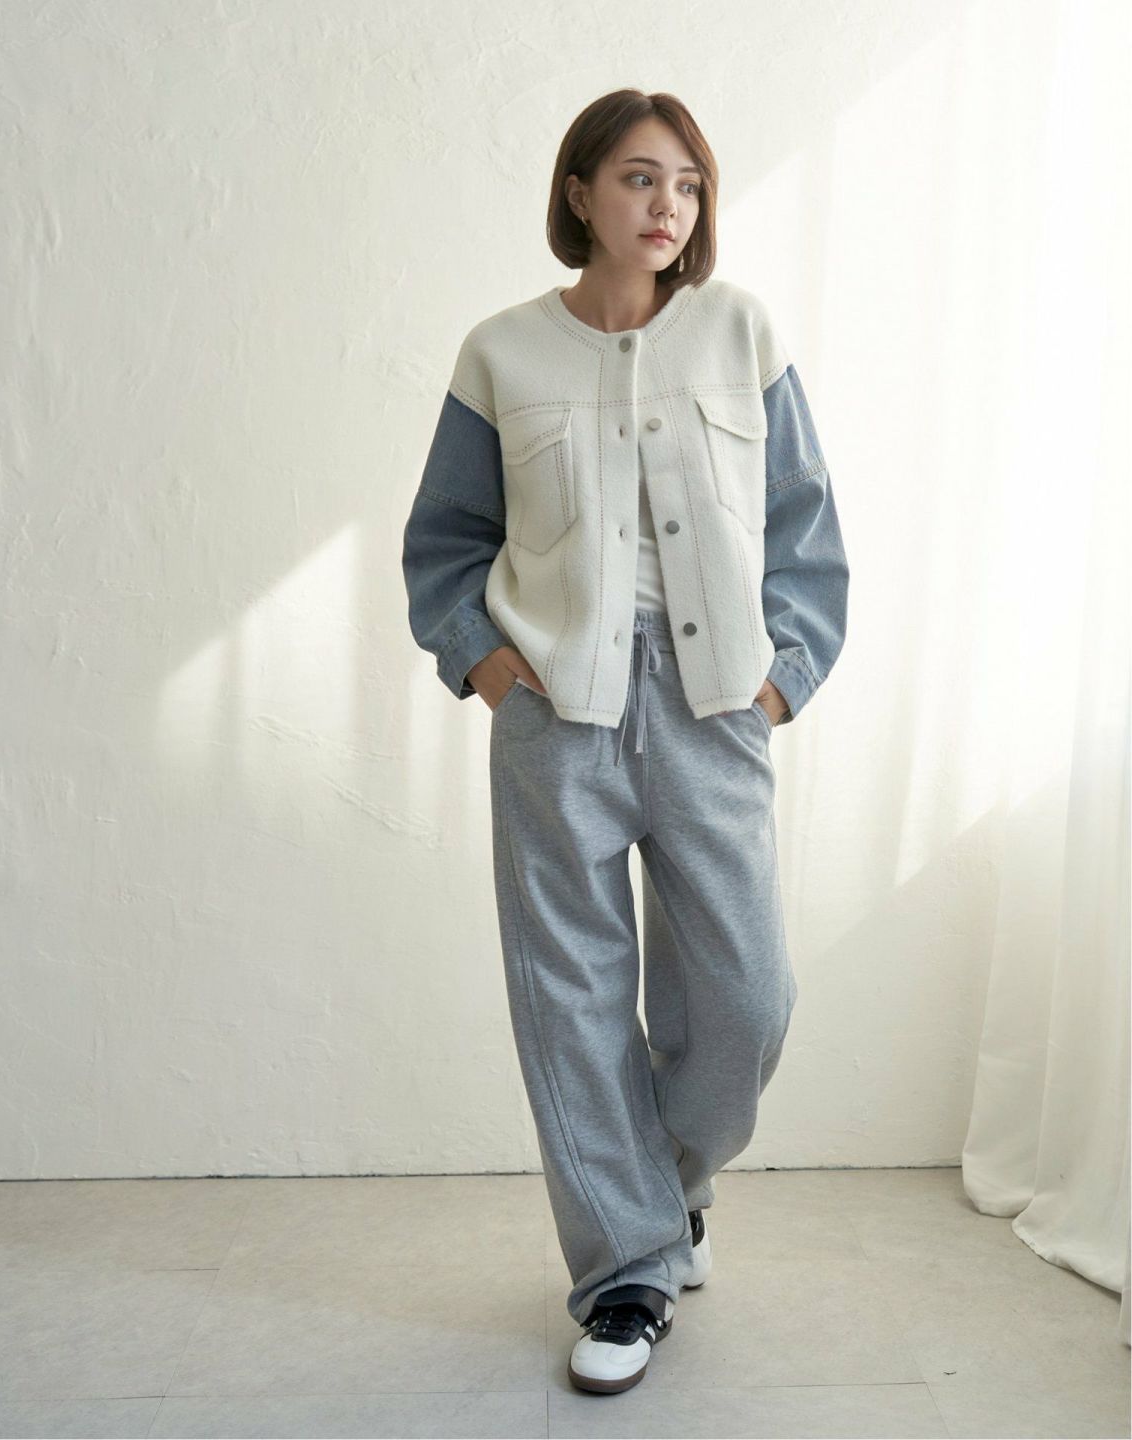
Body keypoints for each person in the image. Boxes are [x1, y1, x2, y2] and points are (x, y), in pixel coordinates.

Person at [401, 88, 849, 1394]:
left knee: (748, 998)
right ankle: (627, 1276)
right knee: (572, 998)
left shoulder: (741, 332)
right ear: (582, 193)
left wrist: (781, 682)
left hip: (714, 708)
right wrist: (490, 668)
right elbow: (444, 542)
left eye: (689, 186)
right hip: (558, 711)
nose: (669, 207)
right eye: (643, 179)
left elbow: (806, 529)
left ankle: (661, 1187)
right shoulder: (501, 353)